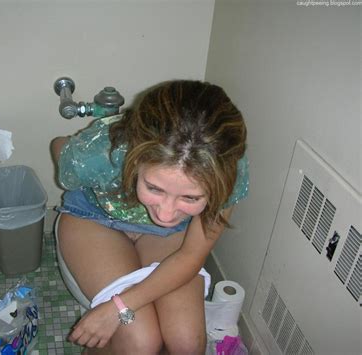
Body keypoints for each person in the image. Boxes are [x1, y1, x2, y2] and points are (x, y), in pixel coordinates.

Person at [51, 80, 248, 354]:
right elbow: (61, 147)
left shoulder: (225, 170)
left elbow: (190, 256)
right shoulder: (100, 152)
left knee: (187, 344)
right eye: (154, 187)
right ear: (133, 157)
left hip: (168, 237)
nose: (165, 213)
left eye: (190, 197)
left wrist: (116, 308)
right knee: (140, 342)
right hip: (94, 219)